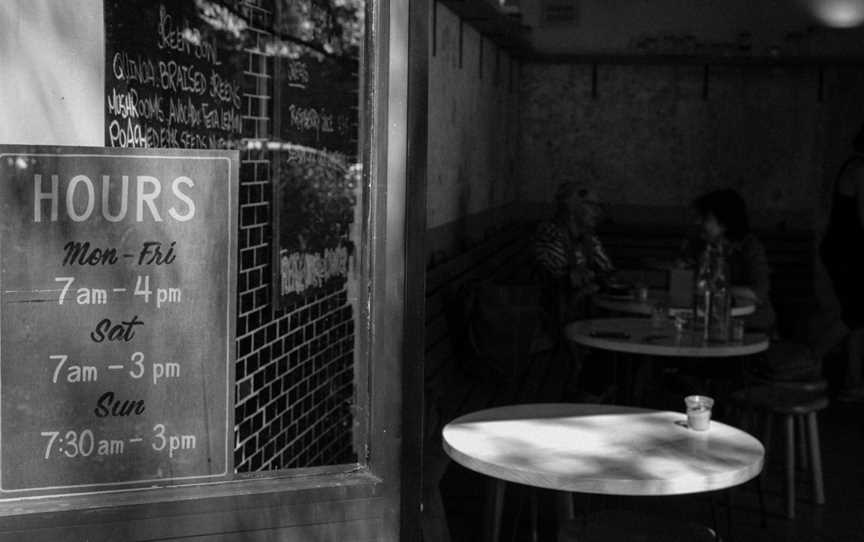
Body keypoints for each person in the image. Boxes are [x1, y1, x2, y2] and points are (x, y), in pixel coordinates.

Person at [679, 188, 776, 334]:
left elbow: (758, 293)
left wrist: (717, 289)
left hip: (749, 324)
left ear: (724, 223)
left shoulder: (749, 247)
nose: (698, 222)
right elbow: (684, 278)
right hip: (706, 322)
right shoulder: (699, 244)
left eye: (705, 218)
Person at [820, 126, 864, 401]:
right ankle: (810, 356)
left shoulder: (855, 166)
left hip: (846, 250)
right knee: (856, 314)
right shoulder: (861, 168)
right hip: (849, 253)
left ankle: (853, 380)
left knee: (858, 316)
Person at [532, 182, 615, 325]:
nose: (598, 212)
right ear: (571, 207)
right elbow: (560, 279)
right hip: (551, 318)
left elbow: (607, 270)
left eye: (599, 206)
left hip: (581, 313)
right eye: (592, 205)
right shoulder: (549, 234)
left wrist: (597, 279)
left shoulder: (588, 236)